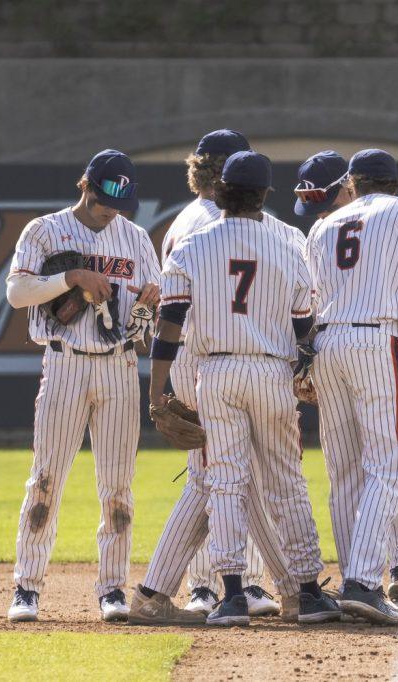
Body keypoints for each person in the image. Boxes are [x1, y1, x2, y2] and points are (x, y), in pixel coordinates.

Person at [130, 151, 340, 627]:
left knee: (225, 483)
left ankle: (230, 597)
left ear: (221, 187)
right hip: (271, 372)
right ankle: (306, 592)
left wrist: (158, 392)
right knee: (286, 482)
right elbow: (305, 328)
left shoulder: (193, 244)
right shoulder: (288, 245)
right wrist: (303, 374)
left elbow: (169, 326)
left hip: (217, 373)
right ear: (265, 194)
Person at [5, 149, 160, 623]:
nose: (111, 208)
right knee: (46, 479)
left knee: (118, 487)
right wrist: (72, 276)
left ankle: (112, 588)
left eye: (120, 200)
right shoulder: (45, 230)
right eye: (104, 198)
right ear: (85, 186)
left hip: (118, 365)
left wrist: (145, 310)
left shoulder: (134, 239)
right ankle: (26, 588)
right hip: (66, 361)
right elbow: (17, 293)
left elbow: (144, 327)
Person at [305, 149, 398, 624]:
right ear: (396, 182)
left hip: (327, 343)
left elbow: (308, 303)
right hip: (378, 339)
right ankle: (364, 582)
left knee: (345, 470)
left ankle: (355, 577)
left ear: (353, 182)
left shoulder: (323, 225)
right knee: (389, 465)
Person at [149, 129, 278, 618]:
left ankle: (213, 583)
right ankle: (216, 584)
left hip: (194, 353)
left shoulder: (185, 218)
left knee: (215, 473)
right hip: (212, 355)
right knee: (221, 474)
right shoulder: (223, 222)